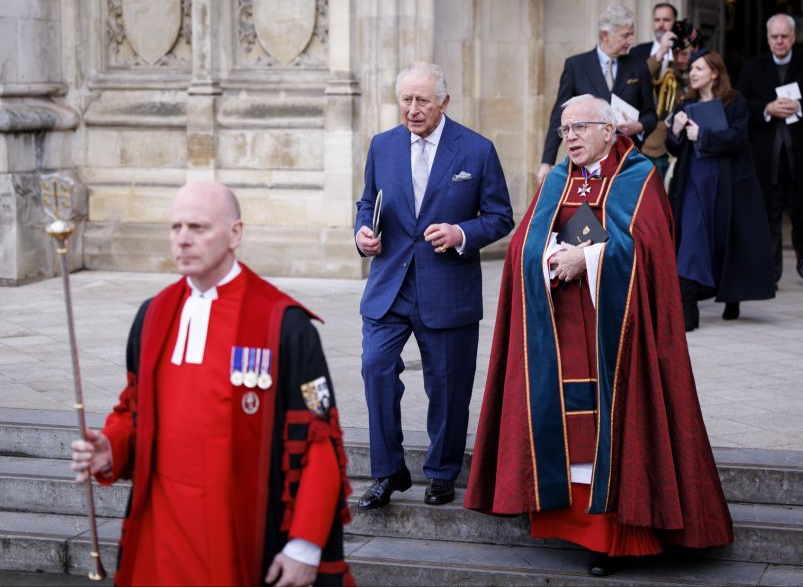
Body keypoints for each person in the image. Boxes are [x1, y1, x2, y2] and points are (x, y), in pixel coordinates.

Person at [465, 95, 733, 577]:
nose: (569, 137)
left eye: (580, 128)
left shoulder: (638, 177)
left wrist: (586, 260)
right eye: (564, 130)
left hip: (616, 333)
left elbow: (649, 248)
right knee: (567, 426)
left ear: (608, 130)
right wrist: (547, 258)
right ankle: (565, 523)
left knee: (613, 423)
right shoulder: (557, 180)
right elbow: (522, 245)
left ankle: (614, 537)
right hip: (560, 328)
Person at [69, 181, 353, 587]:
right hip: (158, 541)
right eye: (175, 227)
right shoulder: (152, 316)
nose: (182, 240)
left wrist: (304, 545)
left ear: (235, 233)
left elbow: (319, 441)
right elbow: (135, 409)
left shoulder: (284, 324)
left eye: (198, 228)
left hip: (236, 542)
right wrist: (110, 446)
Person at [354, 62, 513, 510]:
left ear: (444, 101)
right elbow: (369, 202)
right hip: (389, 286)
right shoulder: (382, 146)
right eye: (406, 99)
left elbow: (500, 216)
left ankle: (442, 472)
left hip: (448, 288)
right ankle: (388, 472)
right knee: (376, 370)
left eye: (423, 100)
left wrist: (462, 234)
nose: (413, 109)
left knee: (448, 386)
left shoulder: (477, 150)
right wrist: (362, 233)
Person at [667, 50, 775, 330]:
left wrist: (703, 135)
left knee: (728, 238)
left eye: (699, 68)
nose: (692, 73)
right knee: (690, 238)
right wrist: (676, 132)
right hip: (693, 180)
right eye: (691, 69)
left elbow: (739, 138)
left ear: (715, 72)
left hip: (728, 181)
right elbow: (674, 148)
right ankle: (688, 308)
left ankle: (732, 296)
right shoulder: (684, 103)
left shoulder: (735, 101)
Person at [736, 13, 803, 286]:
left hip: (802, 156)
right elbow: (740, 103)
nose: (779, 41)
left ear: (793, 38)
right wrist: (766, 109)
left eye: (784, 36)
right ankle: (772, 271)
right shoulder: (753, 67)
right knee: (770, 213)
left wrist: (801, 106)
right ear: (767, 39)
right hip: (767, 157)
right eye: (774, 37)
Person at [537, 4, 657, 185]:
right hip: (586, 164)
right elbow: (558, 116)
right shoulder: (576, 66)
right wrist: (547, 162)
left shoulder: (639, 66)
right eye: (625, 35)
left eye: (632, 35)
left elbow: (651, 114)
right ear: (605, 35)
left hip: (626, 163)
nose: (631, 41)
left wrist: (638, 126)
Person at [634, 14, 704, 178]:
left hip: (695, 146)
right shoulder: (666, 69)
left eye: (686, 54)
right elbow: (639, 78)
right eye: (676, 53)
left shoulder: (706, 72)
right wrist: (662, 51)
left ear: (697, 50)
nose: (680, 59)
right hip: (660, 147)